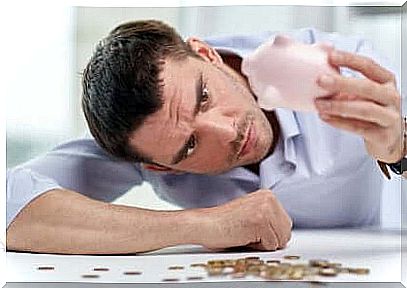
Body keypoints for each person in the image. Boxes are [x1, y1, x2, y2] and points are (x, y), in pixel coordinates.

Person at [6, 20, 405, 255]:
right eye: (190, 146)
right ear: (159, 166)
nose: (229, 131)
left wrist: (401, 149)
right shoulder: (141, 142)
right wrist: (199, 225)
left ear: (205, 53)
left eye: (203, 97)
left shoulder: (338, 69)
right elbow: (10, 204)